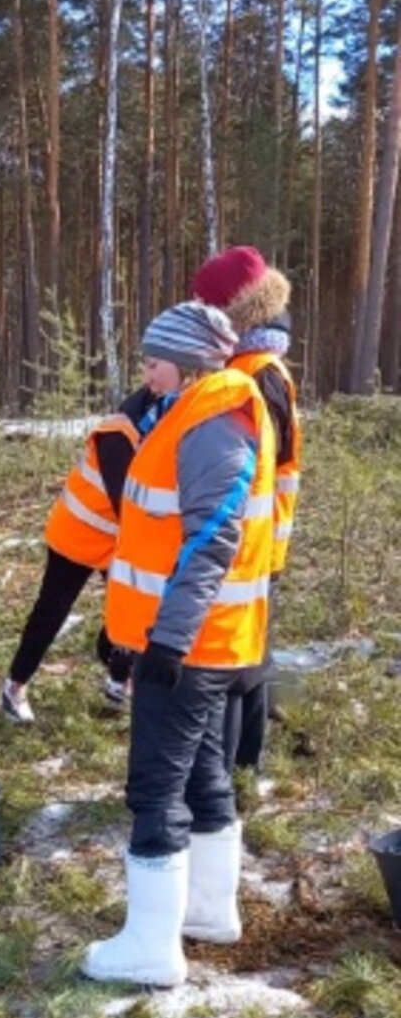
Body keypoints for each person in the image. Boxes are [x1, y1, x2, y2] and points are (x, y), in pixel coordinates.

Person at [81, 302, 275, 987]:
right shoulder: (192, 416)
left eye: (155, 358)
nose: (145, 369)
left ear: (190, 362)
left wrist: (165, 642)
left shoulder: (213, 429)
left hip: (192, 646)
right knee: (201, 773)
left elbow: (211, 540)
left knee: (155, 786)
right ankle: (208, 912)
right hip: (204, 640)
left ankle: (151, 950)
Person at [191, 246, 301, 772]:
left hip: (250, 543)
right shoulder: (262, 369)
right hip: (258, 539)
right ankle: (240, 768)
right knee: (249, 653)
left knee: (240, 662)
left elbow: (249, 469)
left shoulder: (254, 377)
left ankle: (237, 769)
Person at [0, 378, 157, 724]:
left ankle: (118, 678)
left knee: (131, 609)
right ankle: (14, 686)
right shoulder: (118, 433)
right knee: (52, 611)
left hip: (120, 538)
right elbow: (128, 504)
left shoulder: (166, 422)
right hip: (79, 533)